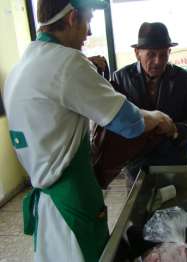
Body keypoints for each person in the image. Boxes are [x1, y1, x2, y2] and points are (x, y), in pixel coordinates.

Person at [3, 1, 175, 261]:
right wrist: (158, 117)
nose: (89, 32)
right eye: (89, 20)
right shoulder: (67, 63)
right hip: (71, 202)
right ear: (72, 17)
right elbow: (129, 123)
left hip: (46, 198)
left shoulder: (22, 67)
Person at [111, 22, 187, 188]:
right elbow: (114, 123)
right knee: (139, 212)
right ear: (137, 53)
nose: (158, 61)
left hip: (175, 163)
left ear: (169, 52)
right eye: (151, 54)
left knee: (179, 210)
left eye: (163, 54)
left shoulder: (184, 79)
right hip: (137, 167)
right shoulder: (120, 79)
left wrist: (174, 129)